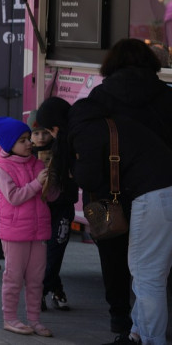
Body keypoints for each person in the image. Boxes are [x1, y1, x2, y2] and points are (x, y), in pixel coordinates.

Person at [68, 39, 172, 344]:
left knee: (140, 271)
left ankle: (130, 326)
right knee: (152, 270)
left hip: (128, 194)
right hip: (160, 191)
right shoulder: (167, 97)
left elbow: (93, 153)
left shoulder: (100, 98)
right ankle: (138, 333)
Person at [0, 116, 55, 337]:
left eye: (29, 138)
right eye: (23, 140)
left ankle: (34, 319)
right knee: (14, 277)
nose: (29, 143)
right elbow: (14, 197)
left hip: (38, 231)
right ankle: (10, 318)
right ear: (9, 144)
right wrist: (37, 183)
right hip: (15, 232)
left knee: (37, 278)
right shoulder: (2, 167)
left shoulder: (36, 163)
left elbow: (49, 196)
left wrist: (51, 184)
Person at [32, 97, 76, 313]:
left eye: (46, 131)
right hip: (42, 209)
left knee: (55, 252)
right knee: (45, 254)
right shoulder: (29, 155)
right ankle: (53, 289)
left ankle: (41, 290)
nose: (42, 136)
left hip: (63, 207)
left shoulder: (67, 144)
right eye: (37, 133)